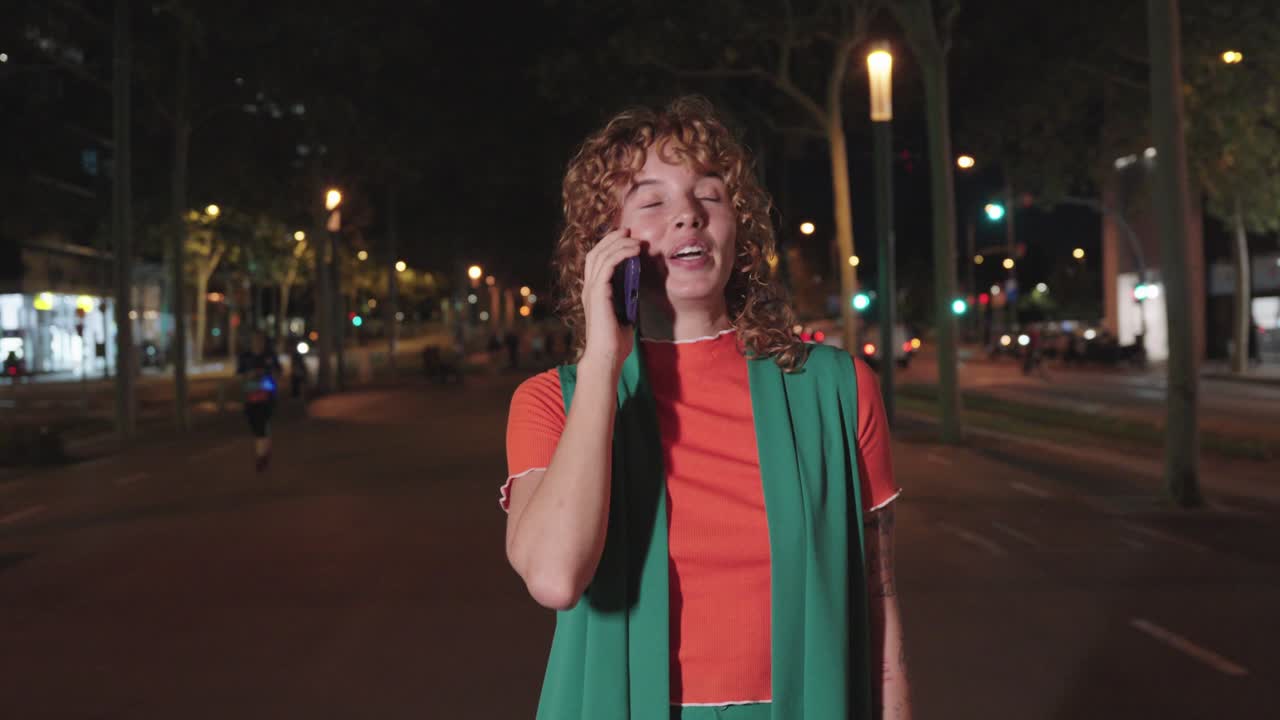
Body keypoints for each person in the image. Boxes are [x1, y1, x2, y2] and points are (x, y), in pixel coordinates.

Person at [501, 97, 911, 720]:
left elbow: (879, 601)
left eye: (710, 196)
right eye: (651, 200)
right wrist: (603, 362)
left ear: (736, 225)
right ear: (605, 240)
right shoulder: (552, 403)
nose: (687, 216)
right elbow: (556, 578)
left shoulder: (837, 388)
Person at [237, 331, 282, 471]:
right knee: (255, 426)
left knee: (261, 425)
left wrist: (268, 376)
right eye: (254, 341)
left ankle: (261, 456)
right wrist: (249, 376)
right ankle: (264, 449)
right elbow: (240, 375)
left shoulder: (269, 356)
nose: (257, 343)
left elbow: (278, 372)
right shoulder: (245, 357)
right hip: (251, 397)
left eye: (260, 341)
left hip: (267, 397)